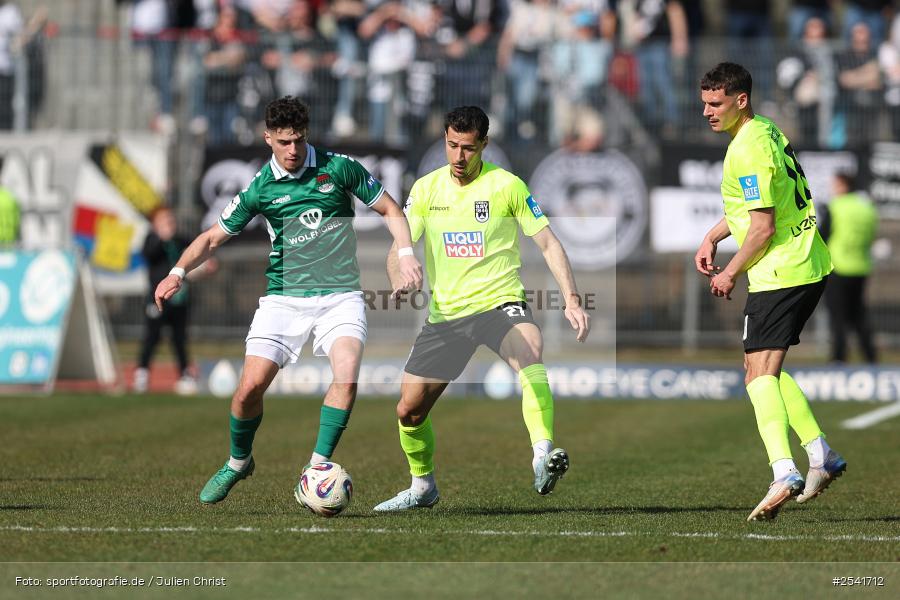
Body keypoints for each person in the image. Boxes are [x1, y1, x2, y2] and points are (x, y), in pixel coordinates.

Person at [154, 96, 422, 504]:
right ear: (268, 139)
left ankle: (316, 468)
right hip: (284, 298)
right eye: (283, 142)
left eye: (298, 140)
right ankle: (239, 462)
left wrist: (405, 255)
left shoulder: (338, 167)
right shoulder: (261, 187)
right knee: (248, 391)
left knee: (346, 375)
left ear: (306, 135)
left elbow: (390, 210)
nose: (293, 150)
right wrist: (177, 272)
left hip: (340, 295)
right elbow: (212, 237)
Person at [373, 106, 590, 512]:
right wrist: (397, 275)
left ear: (484, 145)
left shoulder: (507, 187)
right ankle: (422, 487)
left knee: (530, 348)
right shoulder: (426, 189)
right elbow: (398, 249)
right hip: (447, 316)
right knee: (409, 409)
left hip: (498, 303)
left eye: (468, 148)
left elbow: (548, 243)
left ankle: (542, 454)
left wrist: (572, 299)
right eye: (452, 145)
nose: (458, 156)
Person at [696, 63, 846, 522]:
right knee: (764, 369)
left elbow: (762, 228)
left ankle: (784, 470)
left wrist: (730, 273)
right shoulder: (764, 130)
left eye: (716, 103)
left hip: (782, 270)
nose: (707, 112)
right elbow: (759, 204)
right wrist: (715, 234)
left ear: (741, 100)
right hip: (804, 263)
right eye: (703, 103)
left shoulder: (747, 150)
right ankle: (820, 455)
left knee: (758, 375)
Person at [135, 206, 214, 395]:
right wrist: (162, 238)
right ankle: (142, 372)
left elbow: (198, 249)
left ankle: (185, 374)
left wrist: (208, 262)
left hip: (180, 299)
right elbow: (148, 255)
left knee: (179, 337)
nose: (169, 224)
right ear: (155, 225)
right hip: (158, 299)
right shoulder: (152, 240)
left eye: (171, 220)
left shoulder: (180, 239)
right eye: (164, 221)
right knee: (152, 336)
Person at [819, 172, 879, 364]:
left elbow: (823, 236)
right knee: (858, 315)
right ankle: (870, 357)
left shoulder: (836, 206)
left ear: (843, 185)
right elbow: (871, 235)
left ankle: (838, 358)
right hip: (861, 266)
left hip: (839, 266)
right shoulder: (867, 207)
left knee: (838, 316)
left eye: (835, 184)